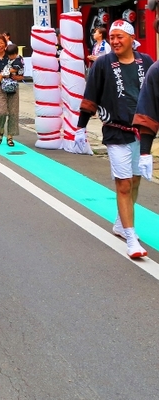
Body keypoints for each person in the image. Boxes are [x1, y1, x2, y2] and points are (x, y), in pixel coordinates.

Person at [75, 20, 154, 259]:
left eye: (120, 37)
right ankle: (131, 238)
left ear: (132, 39)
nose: (115, 41)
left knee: (136, 182)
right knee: (123, 184)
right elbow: (91, 96)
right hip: (115, 131)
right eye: (112, 37)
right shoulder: (102, 64)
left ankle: (121, 223)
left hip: (142, 133)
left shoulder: (147, 62)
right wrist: (81, 128)